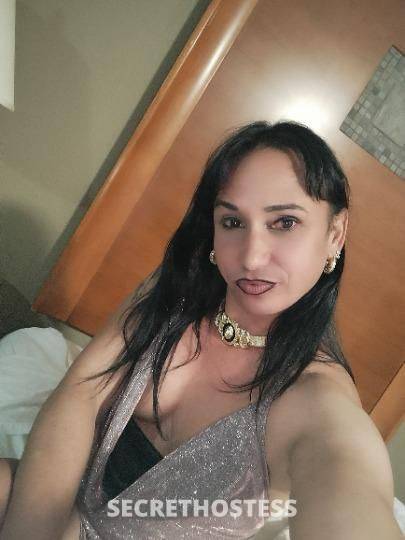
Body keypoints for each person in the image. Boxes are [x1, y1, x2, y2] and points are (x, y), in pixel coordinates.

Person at [0, 121, 402, 540]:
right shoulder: (175, 292)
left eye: (284, 222)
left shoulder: (317, 397)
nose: (251, 257)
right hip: (61, 513)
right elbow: (82, 392)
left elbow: (346, 478)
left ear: (335, 234)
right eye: (232, 222)